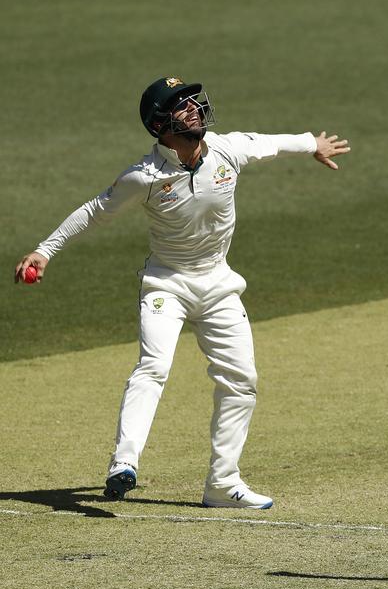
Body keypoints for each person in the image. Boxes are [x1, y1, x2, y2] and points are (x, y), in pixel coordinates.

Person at [13, 76, 350, 509]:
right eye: (180, 105)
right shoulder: (144, 177)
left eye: (193, 100)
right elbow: (94, 212)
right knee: (153, 367)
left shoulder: (227, 148)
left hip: (219, 285)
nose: (194, 108)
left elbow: (270, 142)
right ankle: (124, 463)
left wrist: (312, 144)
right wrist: (43, 252)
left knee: (241, 381)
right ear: (160, 125)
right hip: (166, 285)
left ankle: (222, 484)